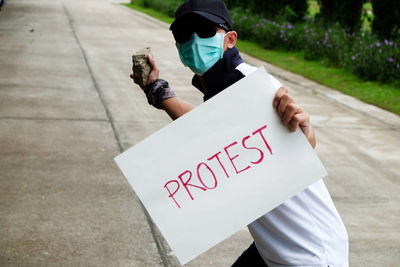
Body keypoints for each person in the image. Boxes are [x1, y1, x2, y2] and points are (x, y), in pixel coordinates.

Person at [130, 0, 349, 266]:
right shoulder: (223, 90)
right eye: (184, 34)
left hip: (308, 251)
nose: (194, 39)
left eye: (205, 29)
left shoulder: (252, 84)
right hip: (274, 245)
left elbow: (301, 140)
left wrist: (305, 132)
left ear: (230, 39)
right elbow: (205, 129)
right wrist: (157, 90)